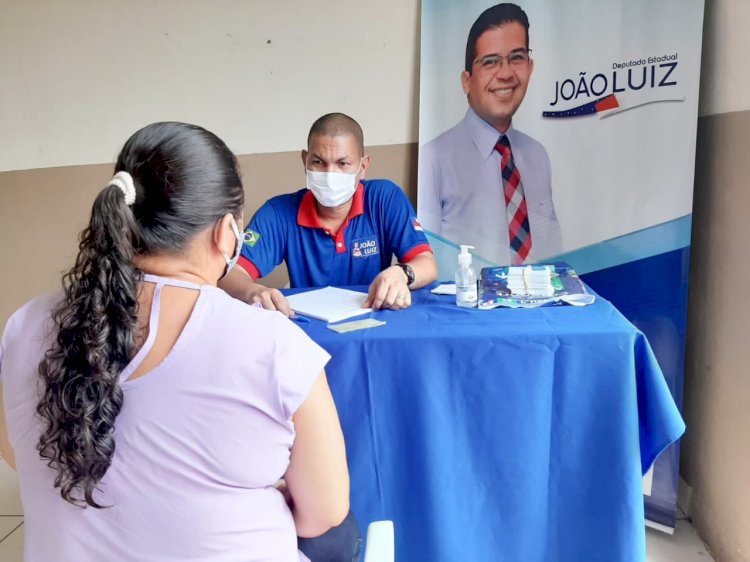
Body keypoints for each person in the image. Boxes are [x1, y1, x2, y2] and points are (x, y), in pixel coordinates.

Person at [0, 122, 358, 562]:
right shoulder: (274, 345)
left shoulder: (24, 325)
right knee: (341, 534)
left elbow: (20, 452)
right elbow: (322, 514)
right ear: (226, 232)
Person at [220, 113, 438, 315]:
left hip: (374, 322)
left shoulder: (384, 199)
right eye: (318, 162)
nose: (330, 174)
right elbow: (229, 274)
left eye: (343, 163)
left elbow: (426, 263)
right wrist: (253, 292)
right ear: (305, 160)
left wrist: (402, 273)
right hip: (309, 330)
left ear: (363, 166)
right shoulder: (278, 213)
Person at [418, 2, 563, 266]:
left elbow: (553, 252)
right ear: (466, 80)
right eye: (490, 62)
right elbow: (424, 260)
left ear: (530, 67)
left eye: (516, 58)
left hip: (539, 302)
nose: (506, 73)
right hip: (466, 305)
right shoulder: (432, 158)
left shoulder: (537, 155)